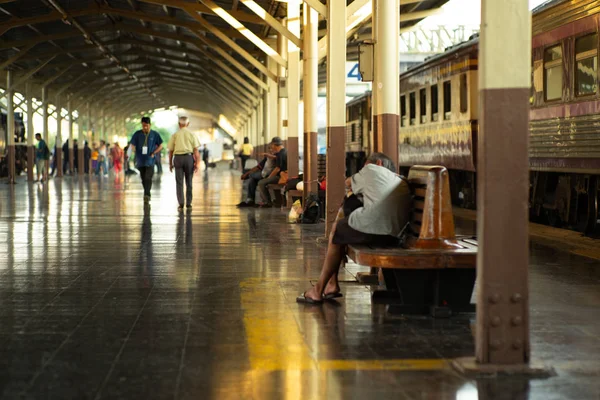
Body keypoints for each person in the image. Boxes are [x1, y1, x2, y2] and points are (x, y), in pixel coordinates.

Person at [296, 152, 411, 304]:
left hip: (375, 230)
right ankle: (331, 284)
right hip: (395, 235)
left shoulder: (372, 169)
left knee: (338, 230)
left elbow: (348, 182)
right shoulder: (398, 179)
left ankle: (318, 290)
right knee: (344, 225)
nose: (363, 170)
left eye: (364, 166)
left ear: (378, 163)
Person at [167, 116, 200, 212]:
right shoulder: (192, 134)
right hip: (189, 158)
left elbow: (171, 151)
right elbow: (196, 151)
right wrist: (197, 164)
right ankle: (189, 204)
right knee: (189, 182)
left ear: (179, 124)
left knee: (179, 182)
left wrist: (170, 163)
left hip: (178, 159)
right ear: (188, 124)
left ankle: (181, 204)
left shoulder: (175, 135)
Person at [129, 116, 164, 203]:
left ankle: (147, 195)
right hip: (140, 161)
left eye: (146, 125)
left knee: (148, 177)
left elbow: (161, 146)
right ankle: (147, 193)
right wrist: (134, 151)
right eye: (143, 125)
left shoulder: (155, 134)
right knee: (143, 178)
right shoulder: (137, 134)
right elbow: (132, 145)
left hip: (150, 160)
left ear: (150, 125)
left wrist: (154, 152)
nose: (145, 127)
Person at [256, 136, 287, 208]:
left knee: (261, 182)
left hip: (281, 177)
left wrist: (269, 178)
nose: (271, 147)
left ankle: (267, 202)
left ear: (274, 145)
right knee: (264, 181)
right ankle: (276, 201)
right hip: (284, 175)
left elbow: (277, 169)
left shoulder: (280, 154)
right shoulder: (284, 151)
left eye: (272, 145)